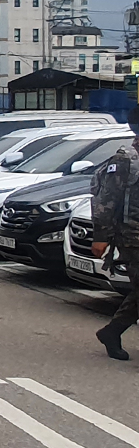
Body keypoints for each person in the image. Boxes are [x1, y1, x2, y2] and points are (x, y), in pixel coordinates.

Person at [91, 105, 139, 360]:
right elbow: (106, 200)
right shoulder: (126, 160)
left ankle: (113, 331)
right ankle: (112, 331)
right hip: (132, 234)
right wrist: (101, 237)